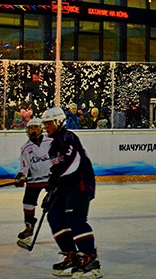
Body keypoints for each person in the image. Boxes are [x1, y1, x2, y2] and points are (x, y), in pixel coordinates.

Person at [41, 106, 101, 277]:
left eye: (49, 123)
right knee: (54, 216)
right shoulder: (53, 147)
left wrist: (55, 177)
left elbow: (71, 164)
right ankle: (72, 255)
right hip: (65, 187)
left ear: (59, 121)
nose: (46, 127)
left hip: (80, 184)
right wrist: (51, 188)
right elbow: (57, 170)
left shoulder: (69, 137)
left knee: (75, 219)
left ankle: (91, 258)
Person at [15, 118, 52, 243]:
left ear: (41, 129)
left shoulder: (51, 141)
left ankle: (67, 226)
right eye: (31, 128)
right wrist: (21, 175)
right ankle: (29, 226)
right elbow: (25, 166)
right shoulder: (25, 148)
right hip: (34, 179)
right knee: (28, 203)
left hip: (52, 179)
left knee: (56, 203)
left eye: (36, 128)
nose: (33, 130)